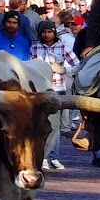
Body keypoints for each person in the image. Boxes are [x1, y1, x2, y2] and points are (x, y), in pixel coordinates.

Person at [32, 20, 78, 170]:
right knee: (41, 124)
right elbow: (29, 66)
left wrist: (64, 70)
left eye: (49, 31)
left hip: (58, 88)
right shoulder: (35, 48)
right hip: (40, 89)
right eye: (44, 32)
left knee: (56, 125)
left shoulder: (63, 47)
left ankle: (54, 156)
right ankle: (43, 157)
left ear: (54, 32)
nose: (47, 35)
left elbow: (77, 64)